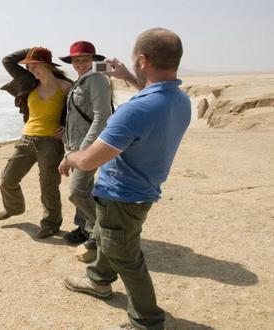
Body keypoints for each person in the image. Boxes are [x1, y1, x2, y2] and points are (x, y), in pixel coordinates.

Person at [59, 28, 190, 330]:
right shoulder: (179, 100)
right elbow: (150, 92)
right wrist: (128, 77)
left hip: (122, 194)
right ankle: (99, 281)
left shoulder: (133, 111)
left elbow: (91, 159)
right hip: (143, 190)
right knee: (109, 236)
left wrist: (69, 158)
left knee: (126, 256)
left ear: (142, 59)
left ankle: (147, 320)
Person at [0, 47, 72, 239]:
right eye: (28, 66)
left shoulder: (67, 86)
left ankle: (51, 223)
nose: (31, 70)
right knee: (8, 179)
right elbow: (7, 60)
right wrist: (31, 50)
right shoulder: (29, 82)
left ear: (46, 64)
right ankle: (14, 207)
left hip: (51, 143)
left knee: (49, 185)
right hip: (26, 139)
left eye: (35, 65)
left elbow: (77, 112)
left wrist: (66, 126)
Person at [59, 41, 113, 262]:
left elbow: (102, 117)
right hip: (75, 145)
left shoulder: (98, 80)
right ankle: (85, 230)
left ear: (93, 60)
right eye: (76, 60)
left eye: (85, 59)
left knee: (77, 192)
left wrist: (83, 151)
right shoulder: (80, 81)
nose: (80, 63)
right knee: (86, 189)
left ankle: (103, 234)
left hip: (87, 148)